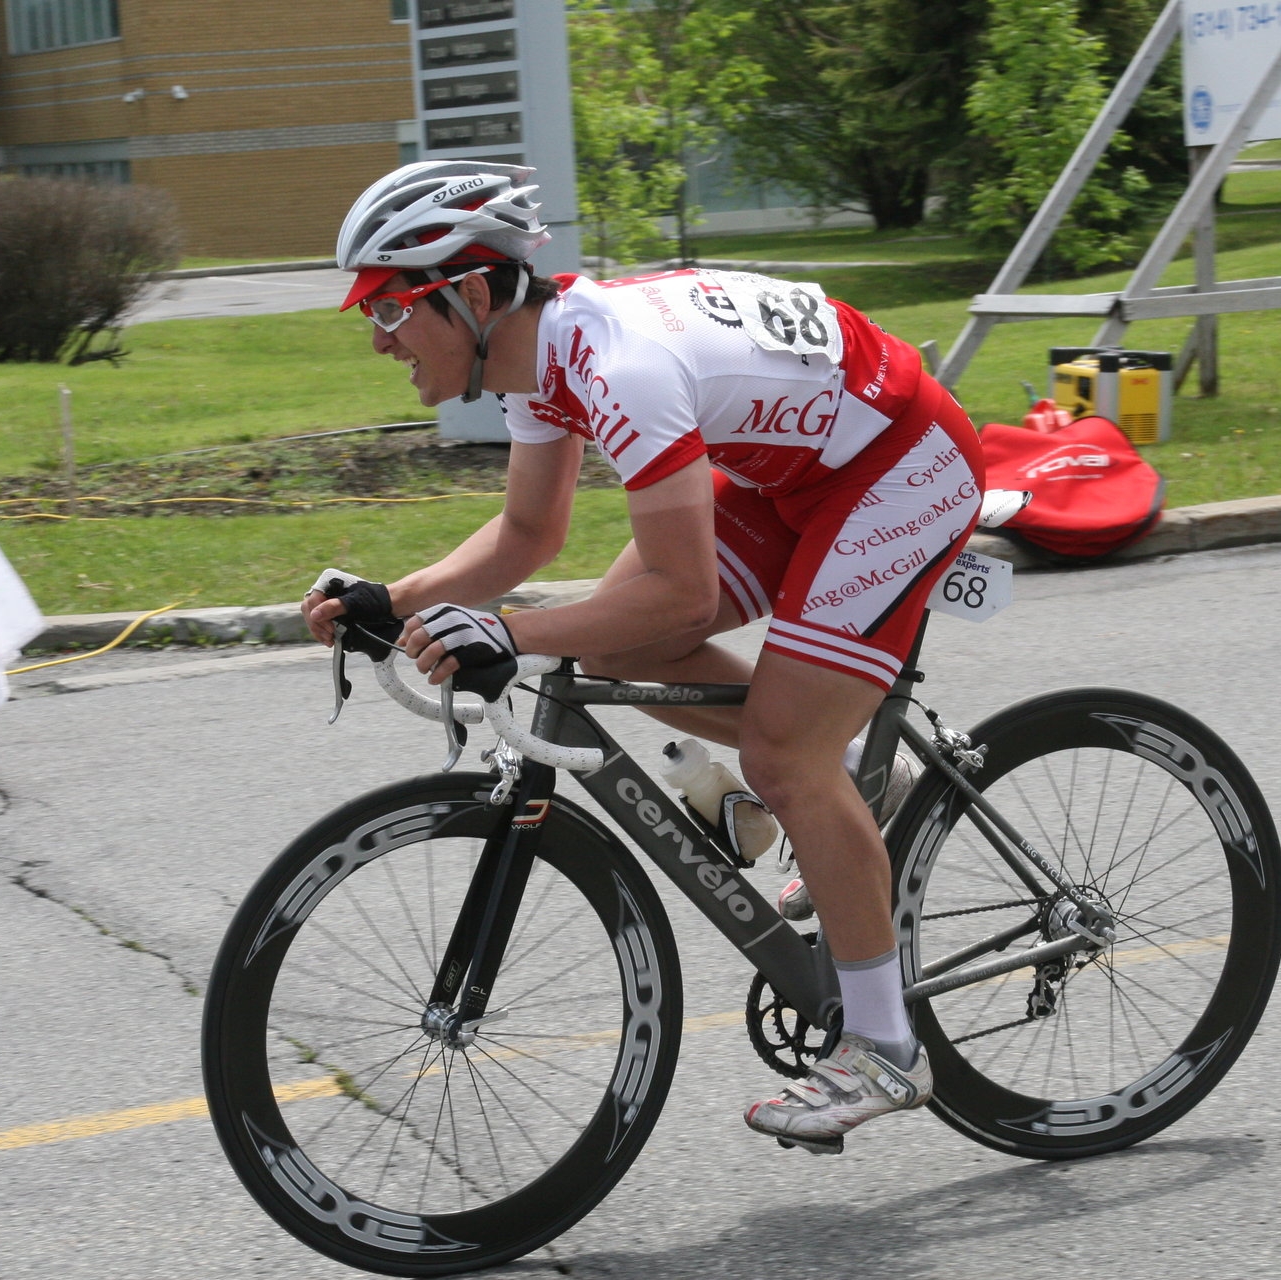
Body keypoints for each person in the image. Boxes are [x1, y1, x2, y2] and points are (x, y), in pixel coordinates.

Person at [304, 161, 986, 1155]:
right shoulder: (537, 359)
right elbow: (528, 535)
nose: (377, 334)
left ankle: (885, 1044)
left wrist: (514, 631)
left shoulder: (619, 367)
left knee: (776, 753)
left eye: (390, 305)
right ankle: (846, 773)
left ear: (477, 295)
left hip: (899, 465)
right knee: (676, 676)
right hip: (796, 473)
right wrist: (393, 599)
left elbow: (682, 592)